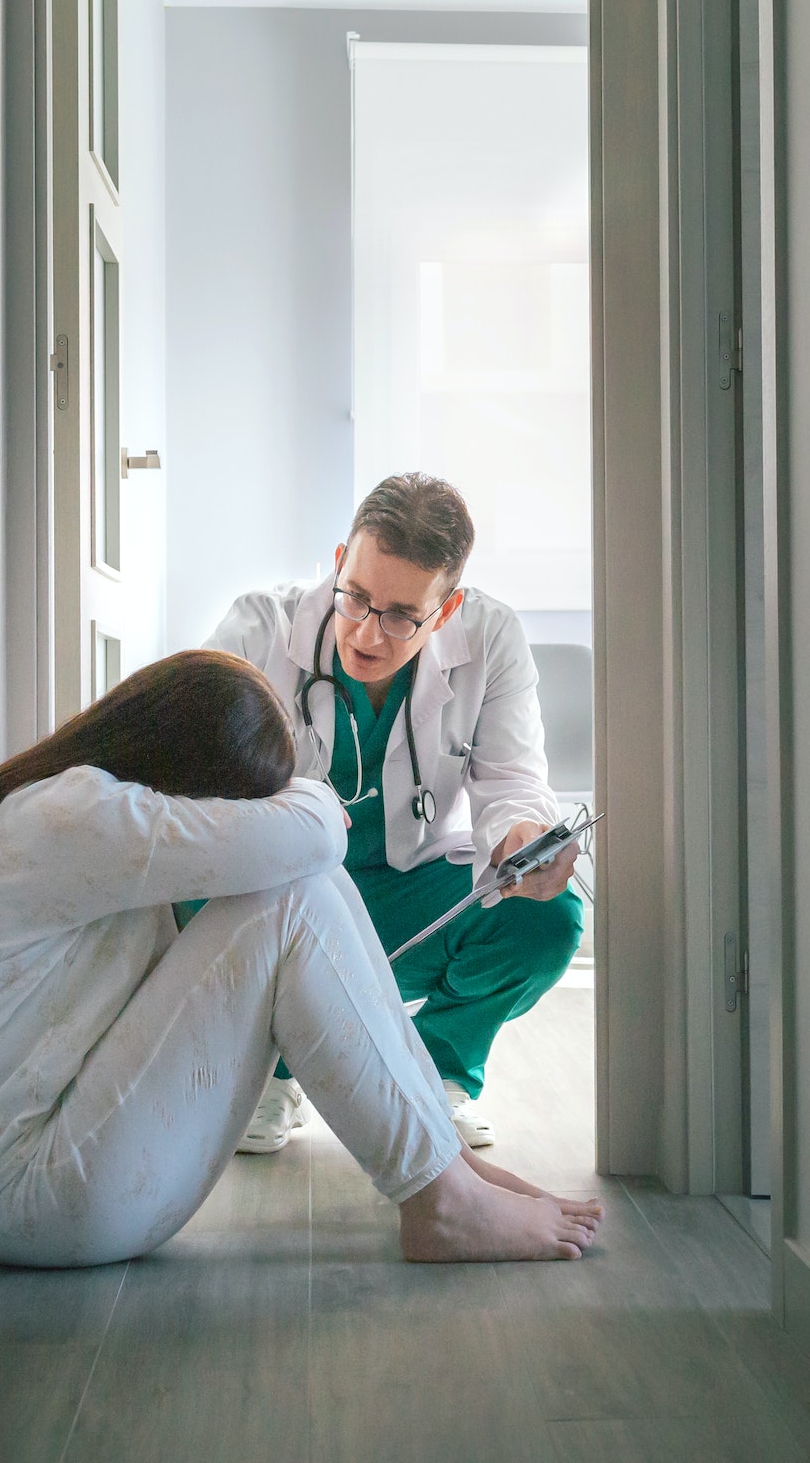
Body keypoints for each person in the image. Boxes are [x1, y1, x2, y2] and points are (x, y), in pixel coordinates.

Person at [0, 648, 602, 1269]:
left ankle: (440, 1166)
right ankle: (441, 1200)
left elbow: (303, 849)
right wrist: (305, 793)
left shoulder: (60, 802)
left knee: (303, 885)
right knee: (292, 896)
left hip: (57, 1173)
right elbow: (311, 836)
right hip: (38, 1201)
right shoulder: (71, 817)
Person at [208, 473, 583, 1155]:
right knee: (187, 891)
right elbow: (195, 782)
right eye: (354, 597)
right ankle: (273, 1070)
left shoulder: (490, 637)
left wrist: (522, 836)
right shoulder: (258, 627)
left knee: (546, 919)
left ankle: (439, 1073)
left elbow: (512, 778)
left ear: (446, 609)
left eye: (402, 615)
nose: (368, 632)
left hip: (411, 892)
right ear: (336, 564)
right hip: (283, 896)